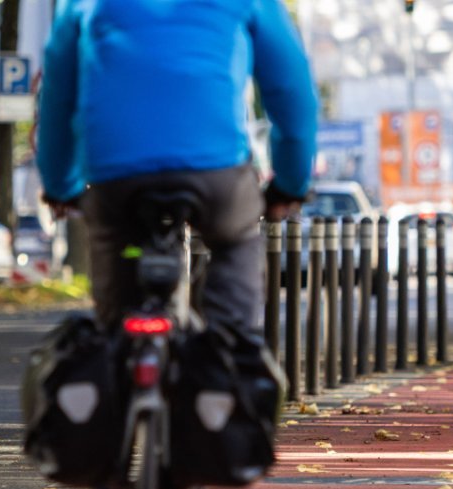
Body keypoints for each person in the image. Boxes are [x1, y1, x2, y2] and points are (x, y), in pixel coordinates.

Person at [33, 0, 318, 338]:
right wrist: (289, 184)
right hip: (216, 168)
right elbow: (291, 91)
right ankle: (228, 354)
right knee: (234, 242)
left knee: (117, 291)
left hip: (115, 173)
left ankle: (117, 350)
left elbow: (56, 97)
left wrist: (60, 186)